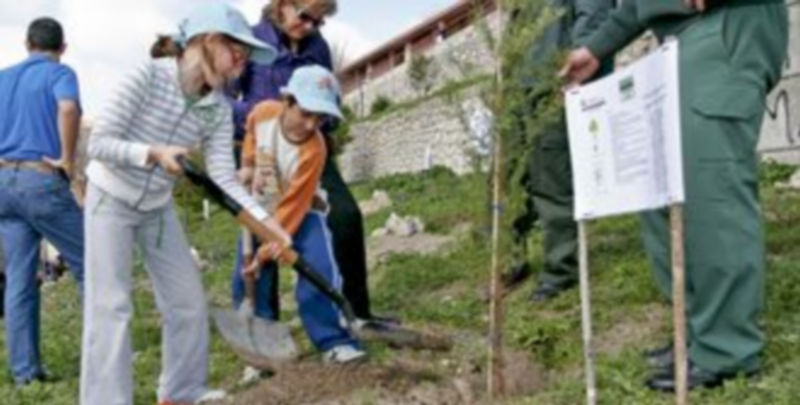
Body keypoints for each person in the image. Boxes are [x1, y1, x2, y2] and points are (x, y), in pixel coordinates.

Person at [561, 0, 789, 391]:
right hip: (679, 37)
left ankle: (726, 349)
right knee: (659, 189)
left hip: (724, 21)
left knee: (709, 190)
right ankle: (698, 332)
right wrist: (597, 48)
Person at [78, 5, 287, 404]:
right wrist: (153, 152)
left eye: (245, 59)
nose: (240, 66)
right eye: (237, 53)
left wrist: (268, 224)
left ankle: (182, 391)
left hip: (156, 207)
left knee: (187, 301)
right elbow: (99, 143)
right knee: (111, 307)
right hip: (110, 198)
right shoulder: (146, 76)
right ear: (208, 41)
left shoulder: (218, 109)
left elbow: (224, 178)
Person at [228, 0, 393, 327]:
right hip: (261, 149)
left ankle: (355, 313)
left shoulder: (318, 47)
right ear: (283, 5)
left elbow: (331, 97)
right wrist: (264, 115)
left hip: (308, 147)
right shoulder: (250, 39)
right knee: (265, 228)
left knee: (344, 215)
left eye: (317, 22)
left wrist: (320, 122)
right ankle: (262, 324)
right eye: (304, 17)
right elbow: (221, 97)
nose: (309, 27)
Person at [236, 65, 366, 364]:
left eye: (319, 118)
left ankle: (333, 342)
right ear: (288, 101)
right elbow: (251, 134)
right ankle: (261, 352)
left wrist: (266, 251)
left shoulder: (315, 149)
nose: (311, 124)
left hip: (303, 213)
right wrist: (248, 165)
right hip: (260, 210)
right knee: (248, 279)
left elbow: (293, 207)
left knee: (318, 269)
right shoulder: (264, 113)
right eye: (306, 113)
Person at [500, 0, 614, 303]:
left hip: (554, 81)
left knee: (551, 176)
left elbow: (595, 15)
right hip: (518, 87)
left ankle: (559, 270)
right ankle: (509, 260)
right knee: (507, 179)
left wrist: (576, 70)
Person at [0, 17, 84, 386]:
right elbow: (68, 108)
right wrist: (67, 158)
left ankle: (25, 374)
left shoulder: (3, 78)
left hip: (5, 183)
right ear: (62, 47)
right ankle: (105, 356)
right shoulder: (59, 73)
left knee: (19, 279)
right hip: (41, 180)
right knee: (91, 265)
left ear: (27, 43)